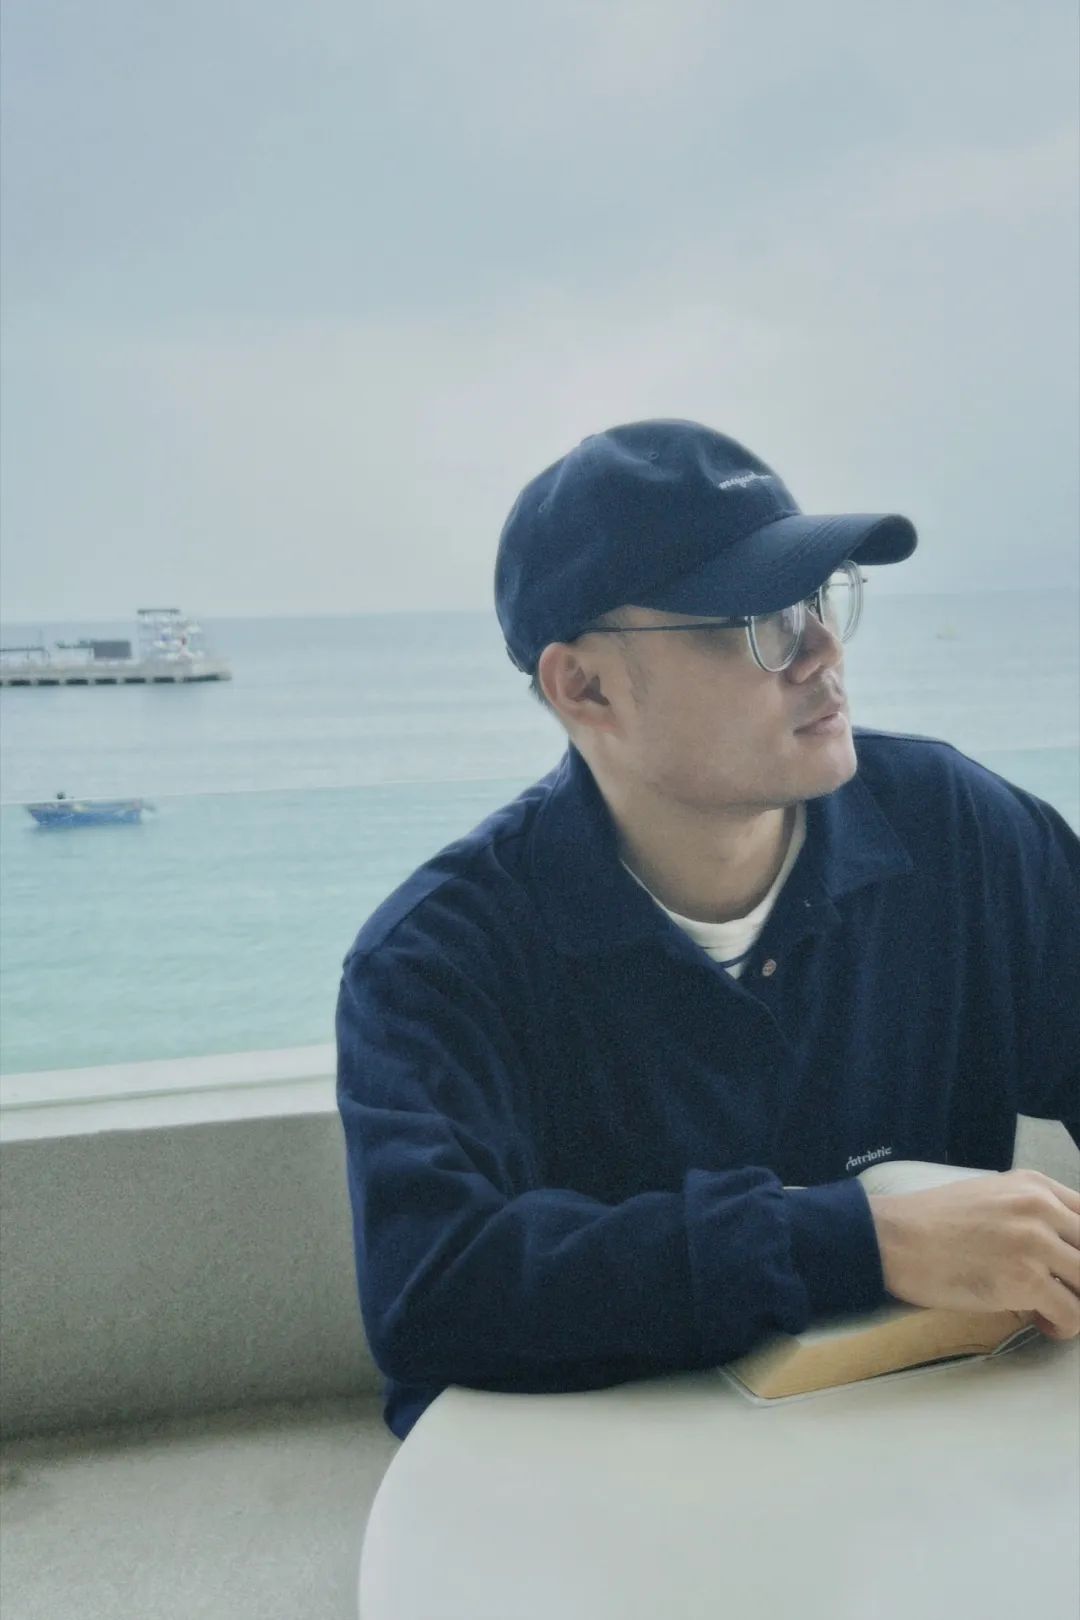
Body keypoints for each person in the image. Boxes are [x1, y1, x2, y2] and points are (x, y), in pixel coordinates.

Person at [336, 418, 1080, 1441]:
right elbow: (436, 1288)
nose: (821, 650)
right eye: (758, 618)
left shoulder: (957, 832)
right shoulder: (439, 955)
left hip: (921, 1444)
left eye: (820, 598)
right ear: (584, 687)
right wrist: (862, 1243)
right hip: (594, 1480)